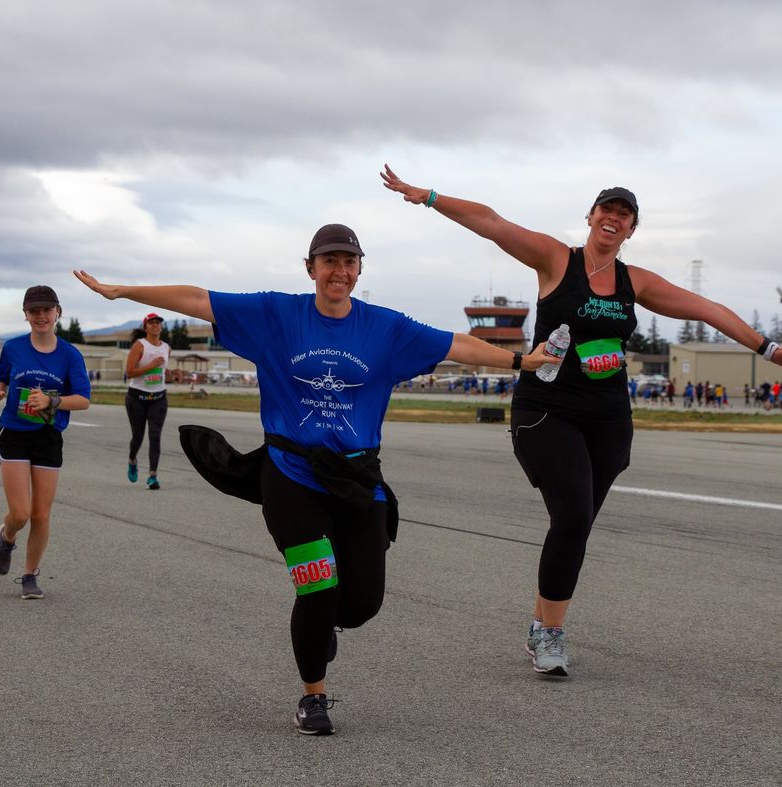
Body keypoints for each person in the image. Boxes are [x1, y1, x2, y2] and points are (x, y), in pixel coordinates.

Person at [74, 222, 557, 735]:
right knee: (318, 582)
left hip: (356, 477)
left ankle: (324, 624)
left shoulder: (384, 328)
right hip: (290, 476)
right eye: (329, 261)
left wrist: (521, 362)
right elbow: (197, 298)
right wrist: (121, 289)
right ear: (311, 268)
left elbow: (456, 343)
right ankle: (313, 695)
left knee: (363, 602)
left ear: (359, 270)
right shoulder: (276, 315)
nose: (340, 271)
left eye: (349, 262)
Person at [380, 165, 782, 678]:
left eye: (624, 215)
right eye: (606, 209)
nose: (613, 218)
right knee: (570, 515)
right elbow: (492, 222)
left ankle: (541, 620)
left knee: (578, 524)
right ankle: (550, 633)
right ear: (590, 217)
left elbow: (704, 308)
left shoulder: (637, 283)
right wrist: (429, 196)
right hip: (546, 409)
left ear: (631, 231)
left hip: (608, 418)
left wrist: (765, 348)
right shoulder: (554, 260)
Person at [0, 286, 91, 600]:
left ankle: (29, 574)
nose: (41, 316)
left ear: (58, 311)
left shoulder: (70, 354)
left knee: (41, 514)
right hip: (15, 434)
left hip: (48, 436)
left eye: (47, 310)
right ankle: (7, 537)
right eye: (34, 311)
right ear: (26, 315)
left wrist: (51, 400)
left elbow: (83, 400)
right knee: (20, 513)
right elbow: (2, 378)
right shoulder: (13, 347)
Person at [123, 313, 171, 488]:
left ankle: (153, 476)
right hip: (137, 398)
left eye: (158, 323)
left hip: (158, 398)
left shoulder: (166, 347)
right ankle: (132, 459)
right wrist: (151, 365)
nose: (156, 325)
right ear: (146, 327)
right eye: (152, 323)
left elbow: (162, 373)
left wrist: (173, 375)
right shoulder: (140, 346)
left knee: (155, 436)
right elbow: (130, 372)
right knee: (138, 436)